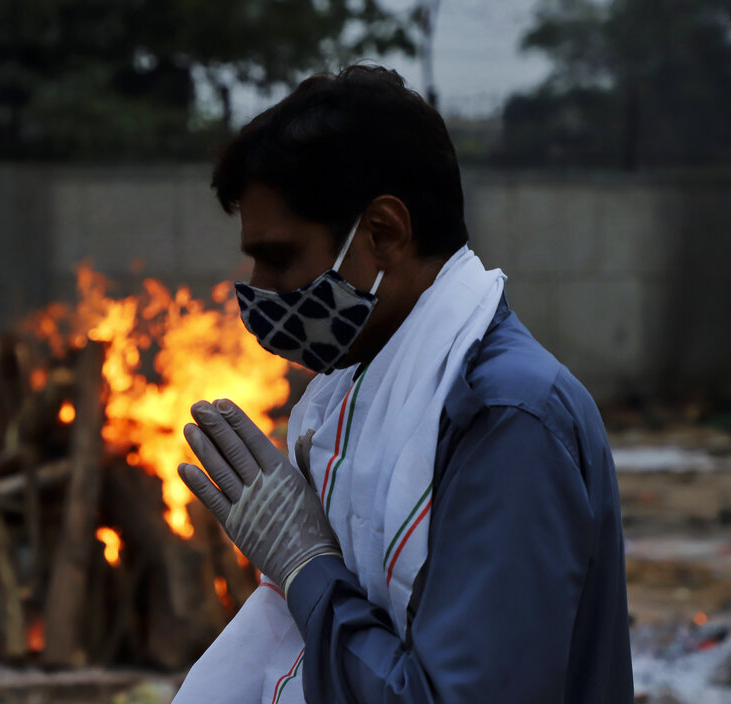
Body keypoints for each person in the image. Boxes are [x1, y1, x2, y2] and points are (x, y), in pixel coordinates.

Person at [173, 64, 634, 704]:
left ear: (384, 232)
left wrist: (308, 571)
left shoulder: (505, 417)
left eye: (279, 257)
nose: (258, 289)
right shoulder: (357, 386)